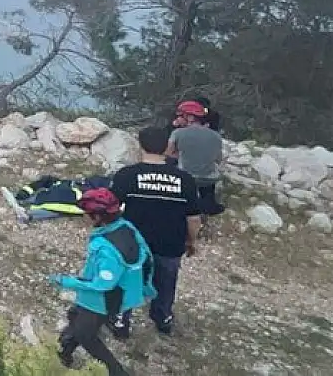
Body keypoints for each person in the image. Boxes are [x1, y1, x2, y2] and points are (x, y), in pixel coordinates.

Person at [48, 188, 155, 376]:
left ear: (98, 216)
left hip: (102, 300)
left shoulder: (106, 248)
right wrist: (147, 287)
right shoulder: (126, 227)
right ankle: (63, 352)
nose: (84, 218)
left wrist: (66, 281)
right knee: (76, 318)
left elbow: (102, 284)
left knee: (86, 336)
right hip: (119, 294)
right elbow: (147, 256)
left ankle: (116, 372)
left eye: (87, 214)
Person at [110, 126, 201, 337]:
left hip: (134, 243)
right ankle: (163, 318)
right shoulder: (184, 179)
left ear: (139, 145)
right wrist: (191, 241)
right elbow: (193, 218)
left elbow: (110, 208)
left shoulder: (127, 175)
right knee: (166, 282)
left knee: (128, 280)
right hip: (170, 243)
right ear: (167, 148)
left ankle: (121, 321)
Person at [167, 101, 225, 216]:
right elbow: (218, 159)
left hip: (186, 178)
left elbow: (168, 154)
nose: (178, 118)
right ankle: (209, 205)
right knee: (208, 181)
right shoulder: (216, 136)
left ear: (189, 117)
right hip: (209, 179)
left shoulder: (178, 133)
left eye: (180, 115)